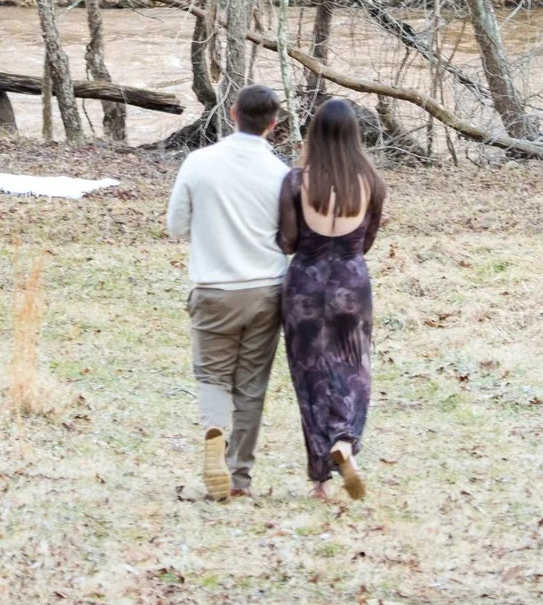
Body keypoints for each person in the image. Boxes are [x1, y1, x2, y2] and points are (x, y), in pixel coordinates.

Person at [165, 86, 290, 501]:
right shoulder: (280, 173)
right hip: (266, 289)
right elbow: (290, 236)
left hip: (214, 288)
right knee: (251, 385)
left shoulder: (198, 163)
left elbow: (176, 226)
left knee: (212, 375)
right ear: (273, 124)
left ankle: (215, 428)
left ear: (232, 113)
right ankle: (240, 477)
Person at [275, 96, 385, 501]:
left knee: (310, 376)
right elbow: (366, 243)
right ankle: (345, 438)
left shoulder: (296, 181)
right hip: (351, 286)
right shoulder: (372, 182)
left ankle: (320, 479)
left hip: (304, 284)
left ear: (314, 134)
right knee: (352, 368)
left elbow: (287, 242)